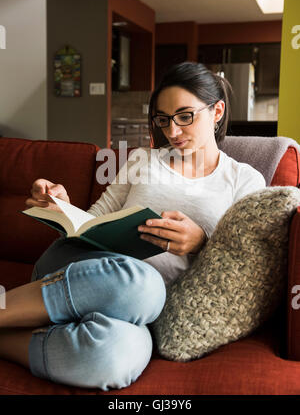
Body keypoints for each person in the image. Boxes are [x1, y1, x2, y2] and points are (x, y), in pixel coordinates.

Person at [0, 62, 266, 390]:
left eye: (185, 116)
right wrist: (63, 206)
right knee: (144, 284)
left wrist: (201, 241)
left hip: (147, 311)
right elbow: (94, 222)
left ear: (217, 111)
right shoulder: (143, 159)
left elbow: (246, 265)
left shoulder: (244, 180)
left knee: (115, 357)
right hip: (77, 273)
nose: (173, 132)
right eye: (163, 120)